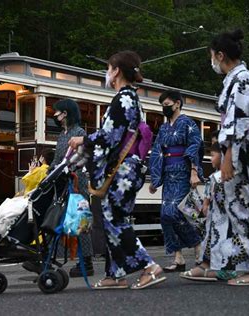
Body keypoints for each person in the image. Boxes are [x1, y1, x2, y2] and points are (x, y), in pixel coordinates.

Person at [69, 51, 166, 289]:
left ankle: (148, 267)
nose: (107, 73)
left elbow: (109, 136)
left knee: (115, 219)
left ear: (117, 71)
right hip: (128, 170)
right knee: (114, 218)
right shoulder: (131, 97)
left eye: (109, 68)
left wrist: (82, 141)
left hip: (122, 170)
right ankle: (116, 274)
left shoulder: (123, 98)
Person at [208, 29, 249, 285]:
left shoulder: (243, 79)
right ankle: (244, 265)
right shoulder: (236, 79)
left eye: (212, 56)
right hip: (238, 147)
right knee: (237, 206)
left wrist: (229, 154)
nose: (211, 61)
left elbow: (239, 121)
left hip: (244, 148)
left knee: (248, 205)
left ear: (221, 55)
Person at [149, 89, 203, 272]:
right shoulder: (164, 128)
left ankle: (198, 246)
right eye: (162, 106)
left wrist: (194, 172)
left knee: (175, 212)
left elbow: (195, 145)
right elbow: (157, 152)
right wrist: (155, 178)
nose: (164, 109)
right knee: (165, 215)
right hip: (168, 173)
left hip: (183, 171)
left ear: (177, 103)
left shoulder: (188, 123)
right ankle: (178, 257)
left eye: (167, 105)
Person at [50, 99, 95, 278]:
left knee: (79, 219)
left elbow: (82, 158)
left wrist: (65, 169)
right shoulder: (63, 135)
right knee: (61, 217)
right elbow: (57, 159)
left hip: (77, 182)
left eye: (57, 112)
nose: (55, 115)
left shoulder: (79, 133)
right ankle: (59, 257)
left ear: (65, 113)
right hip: (63, 180)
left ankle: (86, 262)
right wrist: (48, 170)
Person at [180, 142, 237, 281]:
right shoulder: (217, 176)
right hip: (218, 217)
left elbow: (213, 197)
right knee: (216, 241)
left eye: (212, 155)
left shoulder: (219, 177)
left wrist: (206, 204)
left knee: (218, 240)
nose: (210, 159)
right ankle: (213, 267)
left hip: (220, 218)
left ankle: (214, 268)